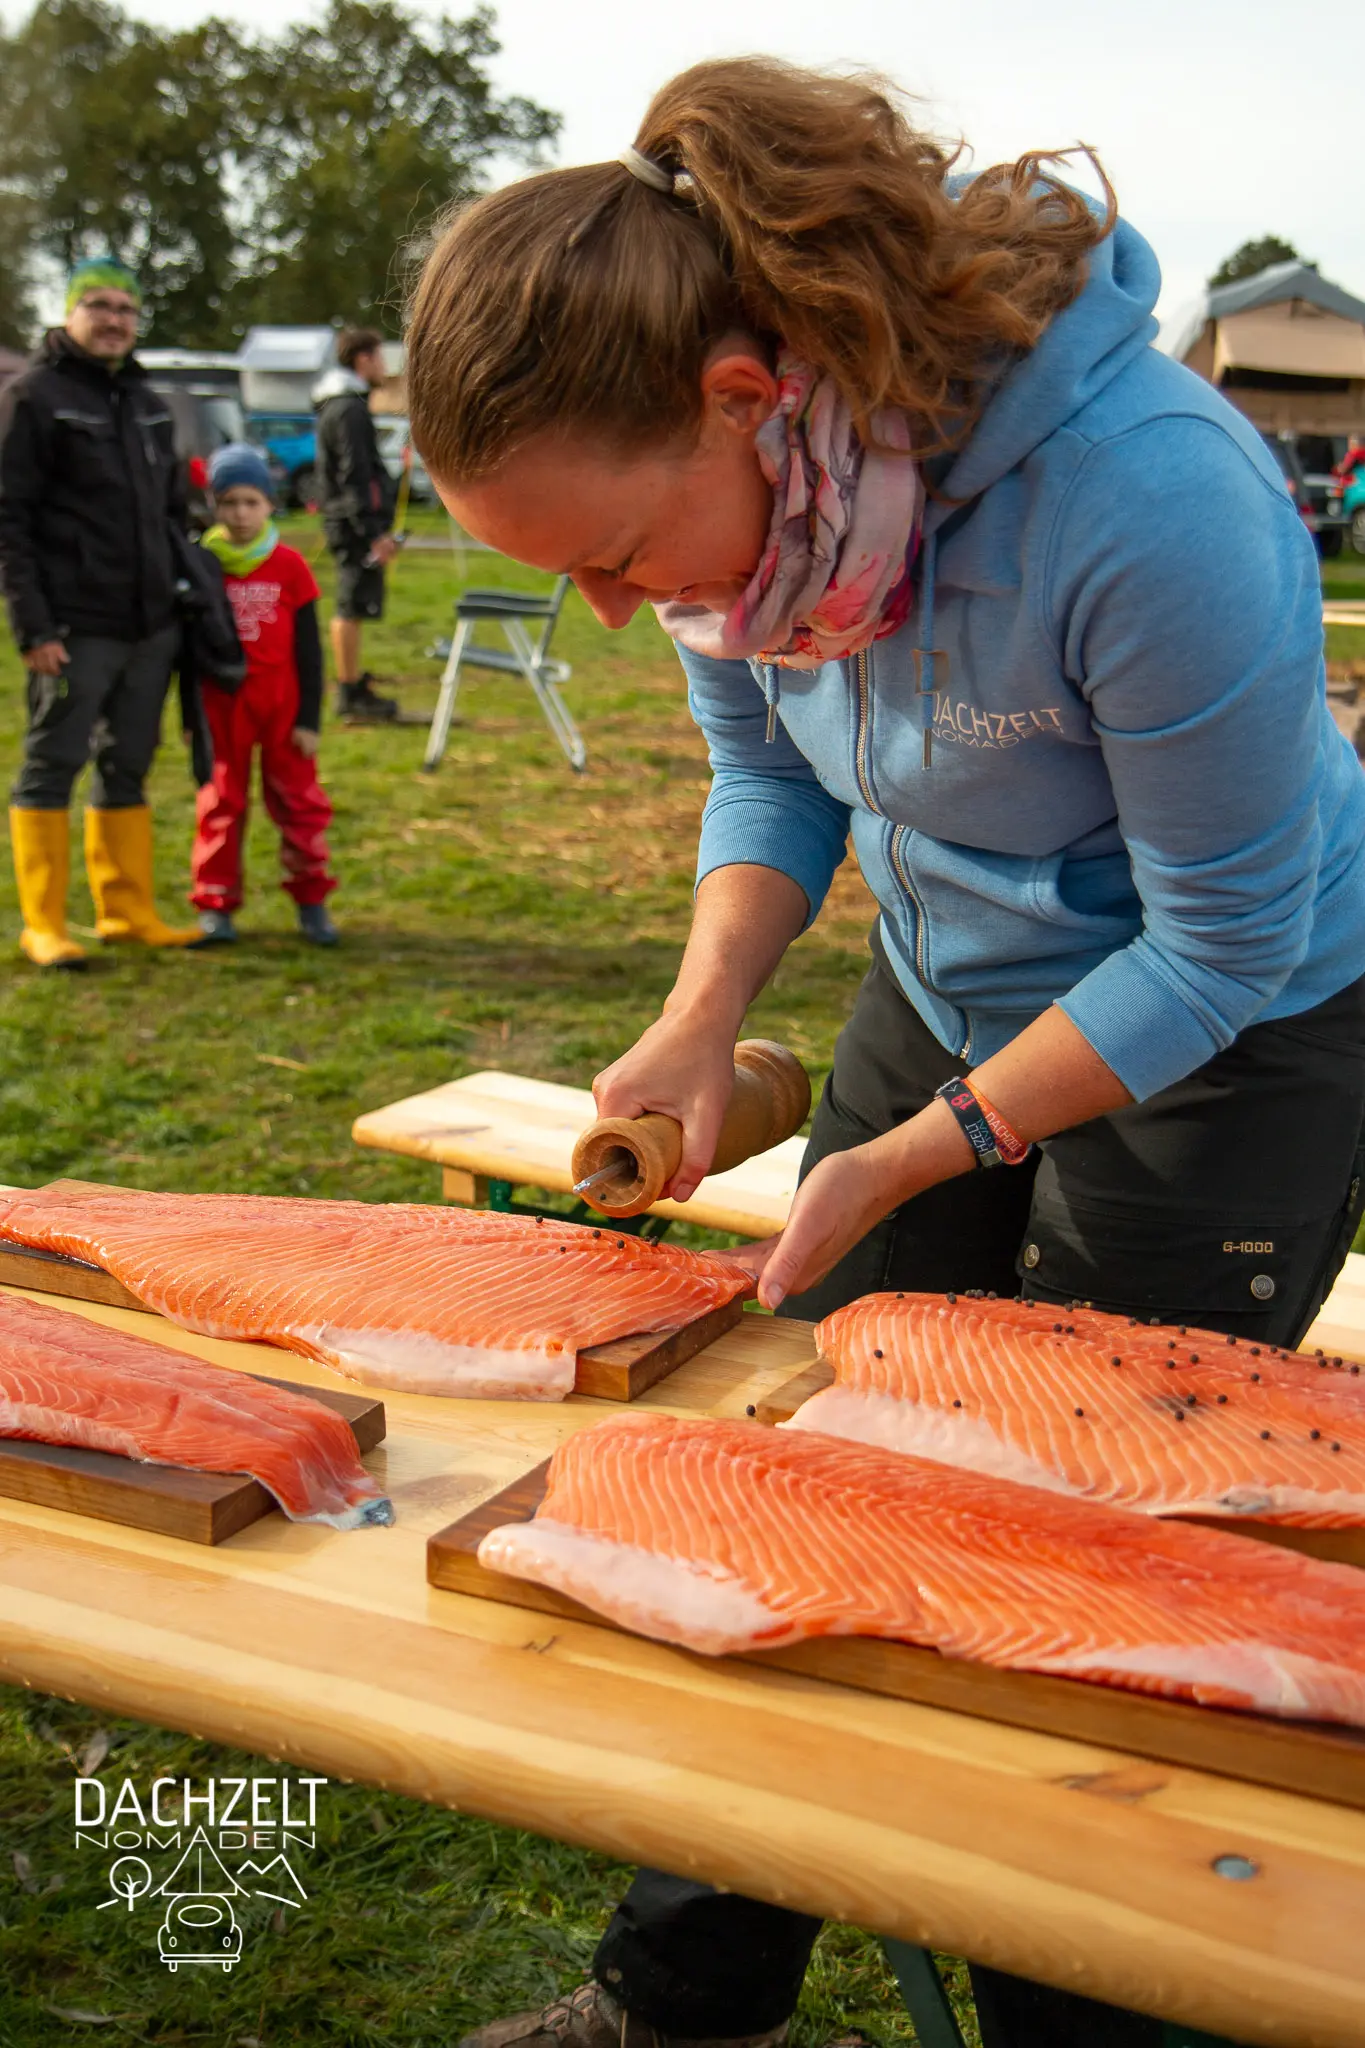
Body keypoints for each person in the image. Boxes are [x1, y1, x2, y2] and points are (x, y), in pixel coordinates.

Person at [408, 58, 1365, 2048]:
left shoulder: (1151, 506)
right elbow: (767, 774)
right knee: (801, 1459)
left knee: (1095, 1551)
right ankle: (688, 1994)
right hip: (944, 981)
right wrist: (700, 1020)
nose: (604, 610)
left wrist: (920, 1151)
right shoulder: (749, 506)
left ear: (748, 399)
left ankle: (1085, 2006)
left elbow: (1215, 943)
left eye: (607, 552)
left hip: (1228, 1037)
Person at [0, 256, 204, 965]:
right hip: (73, 626)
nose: (115, 319)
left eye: (127, 308)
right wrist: (33, 626)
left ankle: (126, 911)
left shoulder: (147, 401)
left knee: (129, 765)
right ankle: (44, 924)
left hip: (151, 625)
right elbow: (9, 519)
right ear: (69, 313)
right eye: (100, 306)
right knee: (53, 761)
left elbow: (174, 514)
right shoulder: (34, 397)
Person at [190, 445, 339, 946]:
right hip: (222, 705)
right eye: (229, 502)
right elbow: (187, 650)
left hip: (283, 706)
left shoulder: (291, 567)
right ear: (214, 506)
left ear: (270, 504)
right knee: (221, 801)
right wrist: (191, 716)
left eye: (251, 502)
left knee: (298, 802)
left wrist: (310, 720)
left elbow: (311, 651)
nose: (240, 514)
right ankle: (216, 903)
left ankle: (311, 899)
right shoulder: (202, 563)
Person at [313, 326, 400, 721]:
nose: (384, 366)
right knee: (349, 603)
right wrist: (373, 532)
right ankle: (348, 693)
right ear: (363, 359)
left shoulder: (342, 404)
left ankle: (352, 683)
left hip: (346, 520)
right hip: (351, 524)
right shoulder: (348, 409)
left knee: (355, 602)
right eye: (380, 357)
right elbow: (355, 474)